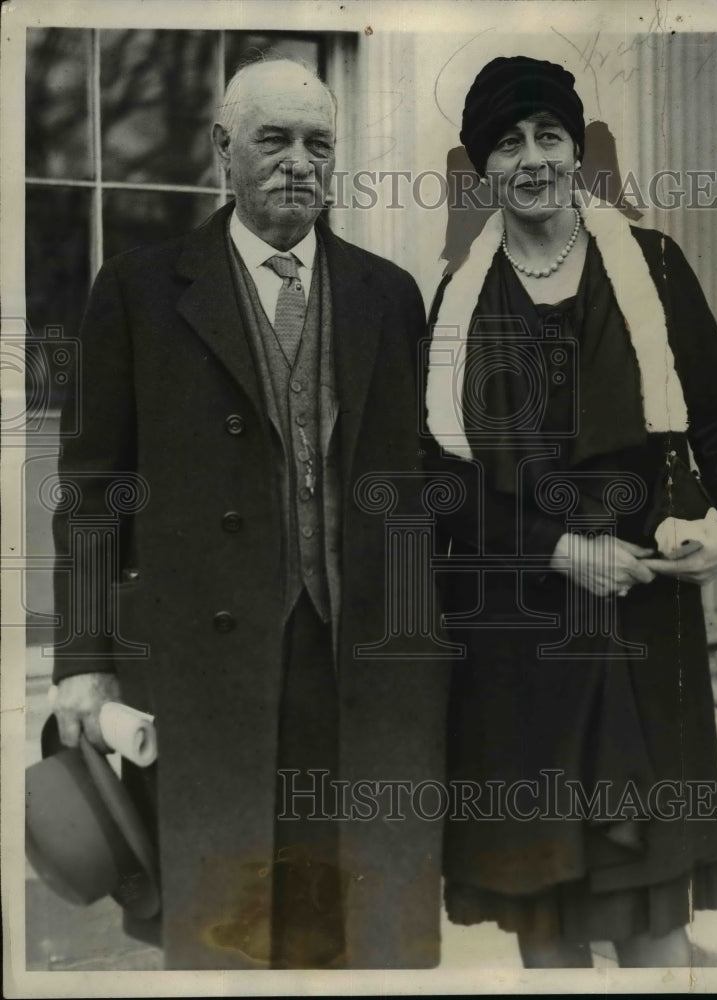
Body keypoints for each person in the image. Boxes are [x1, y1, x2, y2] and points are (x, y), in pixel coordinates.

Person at [50, 56, 449, 971]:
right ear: (221, 151)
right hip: (204, 670)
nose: (298, 162)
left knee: (355, 931)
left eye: (319, 143)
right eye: (274, 139)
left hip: (361, 667)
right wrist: (82, 662)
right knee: (226, 933)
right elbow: (92, 490)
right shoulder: (140, 288)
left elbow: (422, 478)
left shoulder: (387, 295)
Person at [424, 55, 717, 968]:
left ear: (577, 150)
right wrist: (556, 550)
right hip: (518, 642)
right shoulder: (457, 302)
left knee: (655, 910)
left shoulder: (652, 266)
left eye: (550, 137)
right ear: (480, 167)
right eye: (508, 143)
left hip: (646, 629)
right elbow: (440, 487)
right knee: (549, 912)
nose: (532, 160)